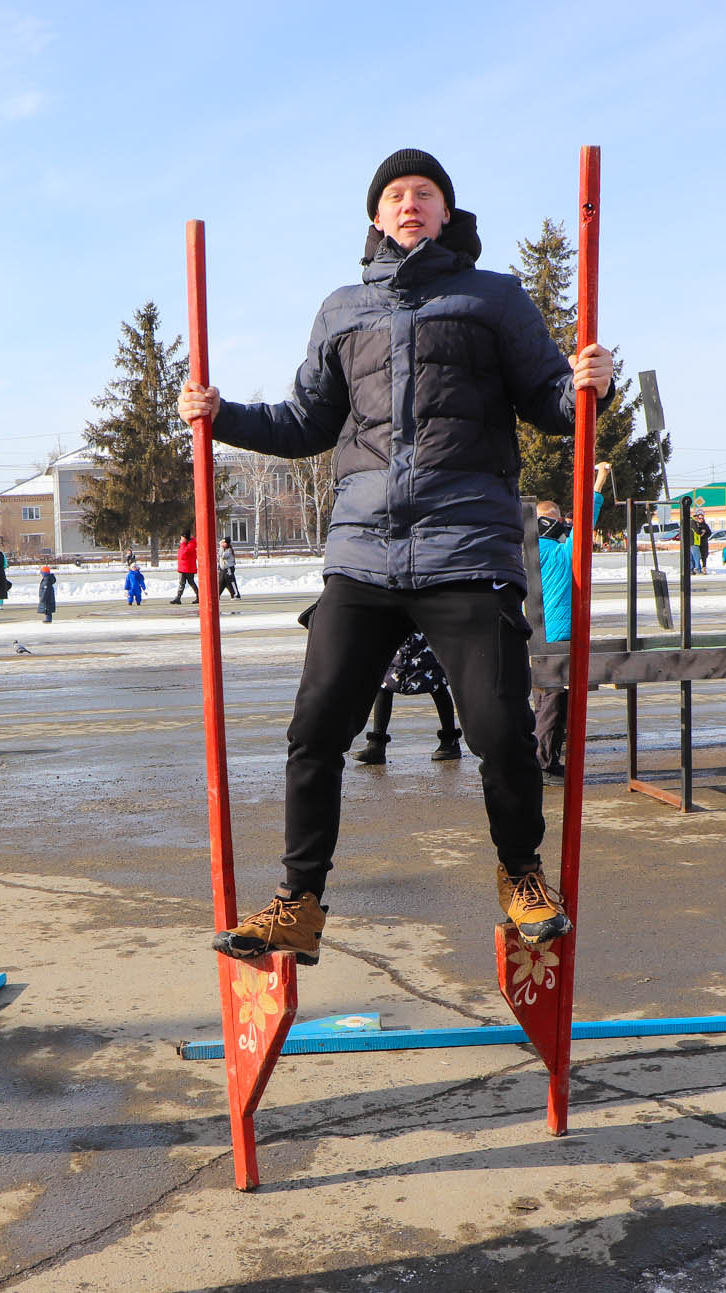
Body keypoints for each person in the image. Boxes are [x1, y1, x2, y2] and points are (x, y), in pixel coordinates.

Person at [179, 149, 614, 961]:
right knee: (315, 728)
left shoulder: (492, 296)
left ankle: (522, 877)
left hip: (467, 547)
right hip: (364, 553)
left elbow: (549, 400)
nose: (410, 203)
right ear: (376, 218)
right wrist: (220, 413)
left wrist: (588, 384)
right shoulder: (342, 309)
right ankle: (298, 903)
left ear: (447, 212)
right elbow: (306, 422)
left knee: (502, 729)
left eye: (425, 192)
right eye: (395, 195)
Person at [531, 462, 611, 778]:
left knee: (543, 699)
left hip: (532, 634)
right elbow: (586, 519)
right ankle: (544, 763)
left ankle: (542, 757)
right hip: (559, 633)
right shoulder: (563, 554)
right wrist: (600, 480)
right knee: (554, 701)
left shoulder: (524, 552)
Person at [353, 632, 462, 765]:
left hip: (423, 635)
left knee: (436, 683)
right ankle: (376, 746)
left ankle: (450, 742)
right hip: (395, 636)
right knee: (385, 684)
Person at [172, 533, 201, 603]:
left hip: (188, 568)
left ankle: (199, 596)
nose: (181, 540)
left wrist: (182, 544)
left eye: (182, 538)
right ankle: (178, 597)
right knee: (182, 583)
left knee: (191, 582)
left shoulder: (190, 545)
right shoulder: (184, 545)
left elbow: (183, 553)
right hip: (183, 567)